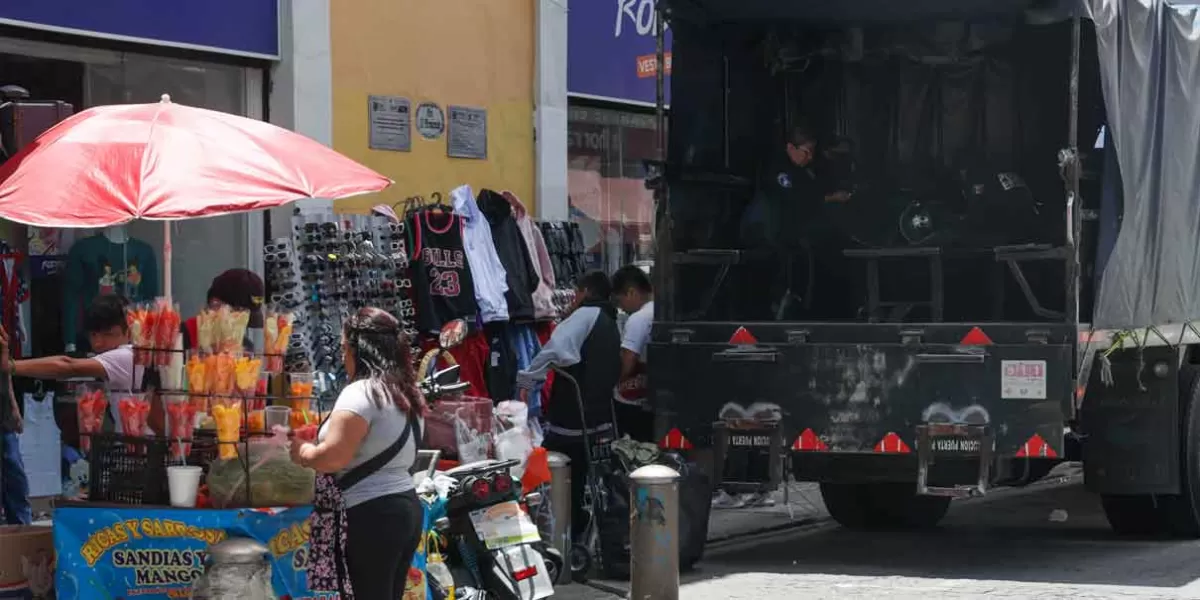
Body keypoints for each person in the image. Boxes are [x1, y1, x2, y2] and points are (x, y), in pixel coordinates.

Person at [290, 307, 425, 599]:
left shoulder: (361, 392)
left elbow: (332, 458)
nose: (342, 357)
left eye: (344, 348)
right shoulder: (405, 391)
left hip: (372, 514)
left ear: (358, 350)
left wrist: (301, 451)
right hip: (405, 507)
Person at [516, 271, 621, 542]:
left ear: (584, 292)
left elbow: (555, 351)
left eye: (576, 293)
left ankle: (562, 533)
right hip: (599, 415)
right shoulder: (611, 318)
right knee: (583, 474)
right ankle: (577, 531)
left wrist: (526, 380)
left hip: (574, 415)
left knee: (556, 473)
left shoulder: (583, 317)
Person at [4, 295, 144, 434]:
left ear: (128, 332)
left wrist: (10, 366)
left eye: (108, 334)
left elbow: (68, 366)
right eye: (94, 335)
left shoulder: (127, 355)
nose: (98, 343)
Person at [610, 265, 655, 443]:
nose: (622, 308)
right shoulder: (660, 310)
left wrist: (613, 382)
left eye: (620, 301)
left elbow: (628, 359)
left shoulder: (638, 319)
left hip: (634, 403)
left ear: (631, 292)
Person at [182, 268, 265, 351]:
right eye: (239, 316)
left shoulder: (246, 348)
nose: (242, 327)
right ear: (215, 304)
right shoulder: (178, 338)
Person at [0, 337, 29, 525]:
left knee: (15, 474)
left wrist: (14, 406)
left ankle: (22, 531)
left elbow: (5, 370)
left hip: (3, 417)